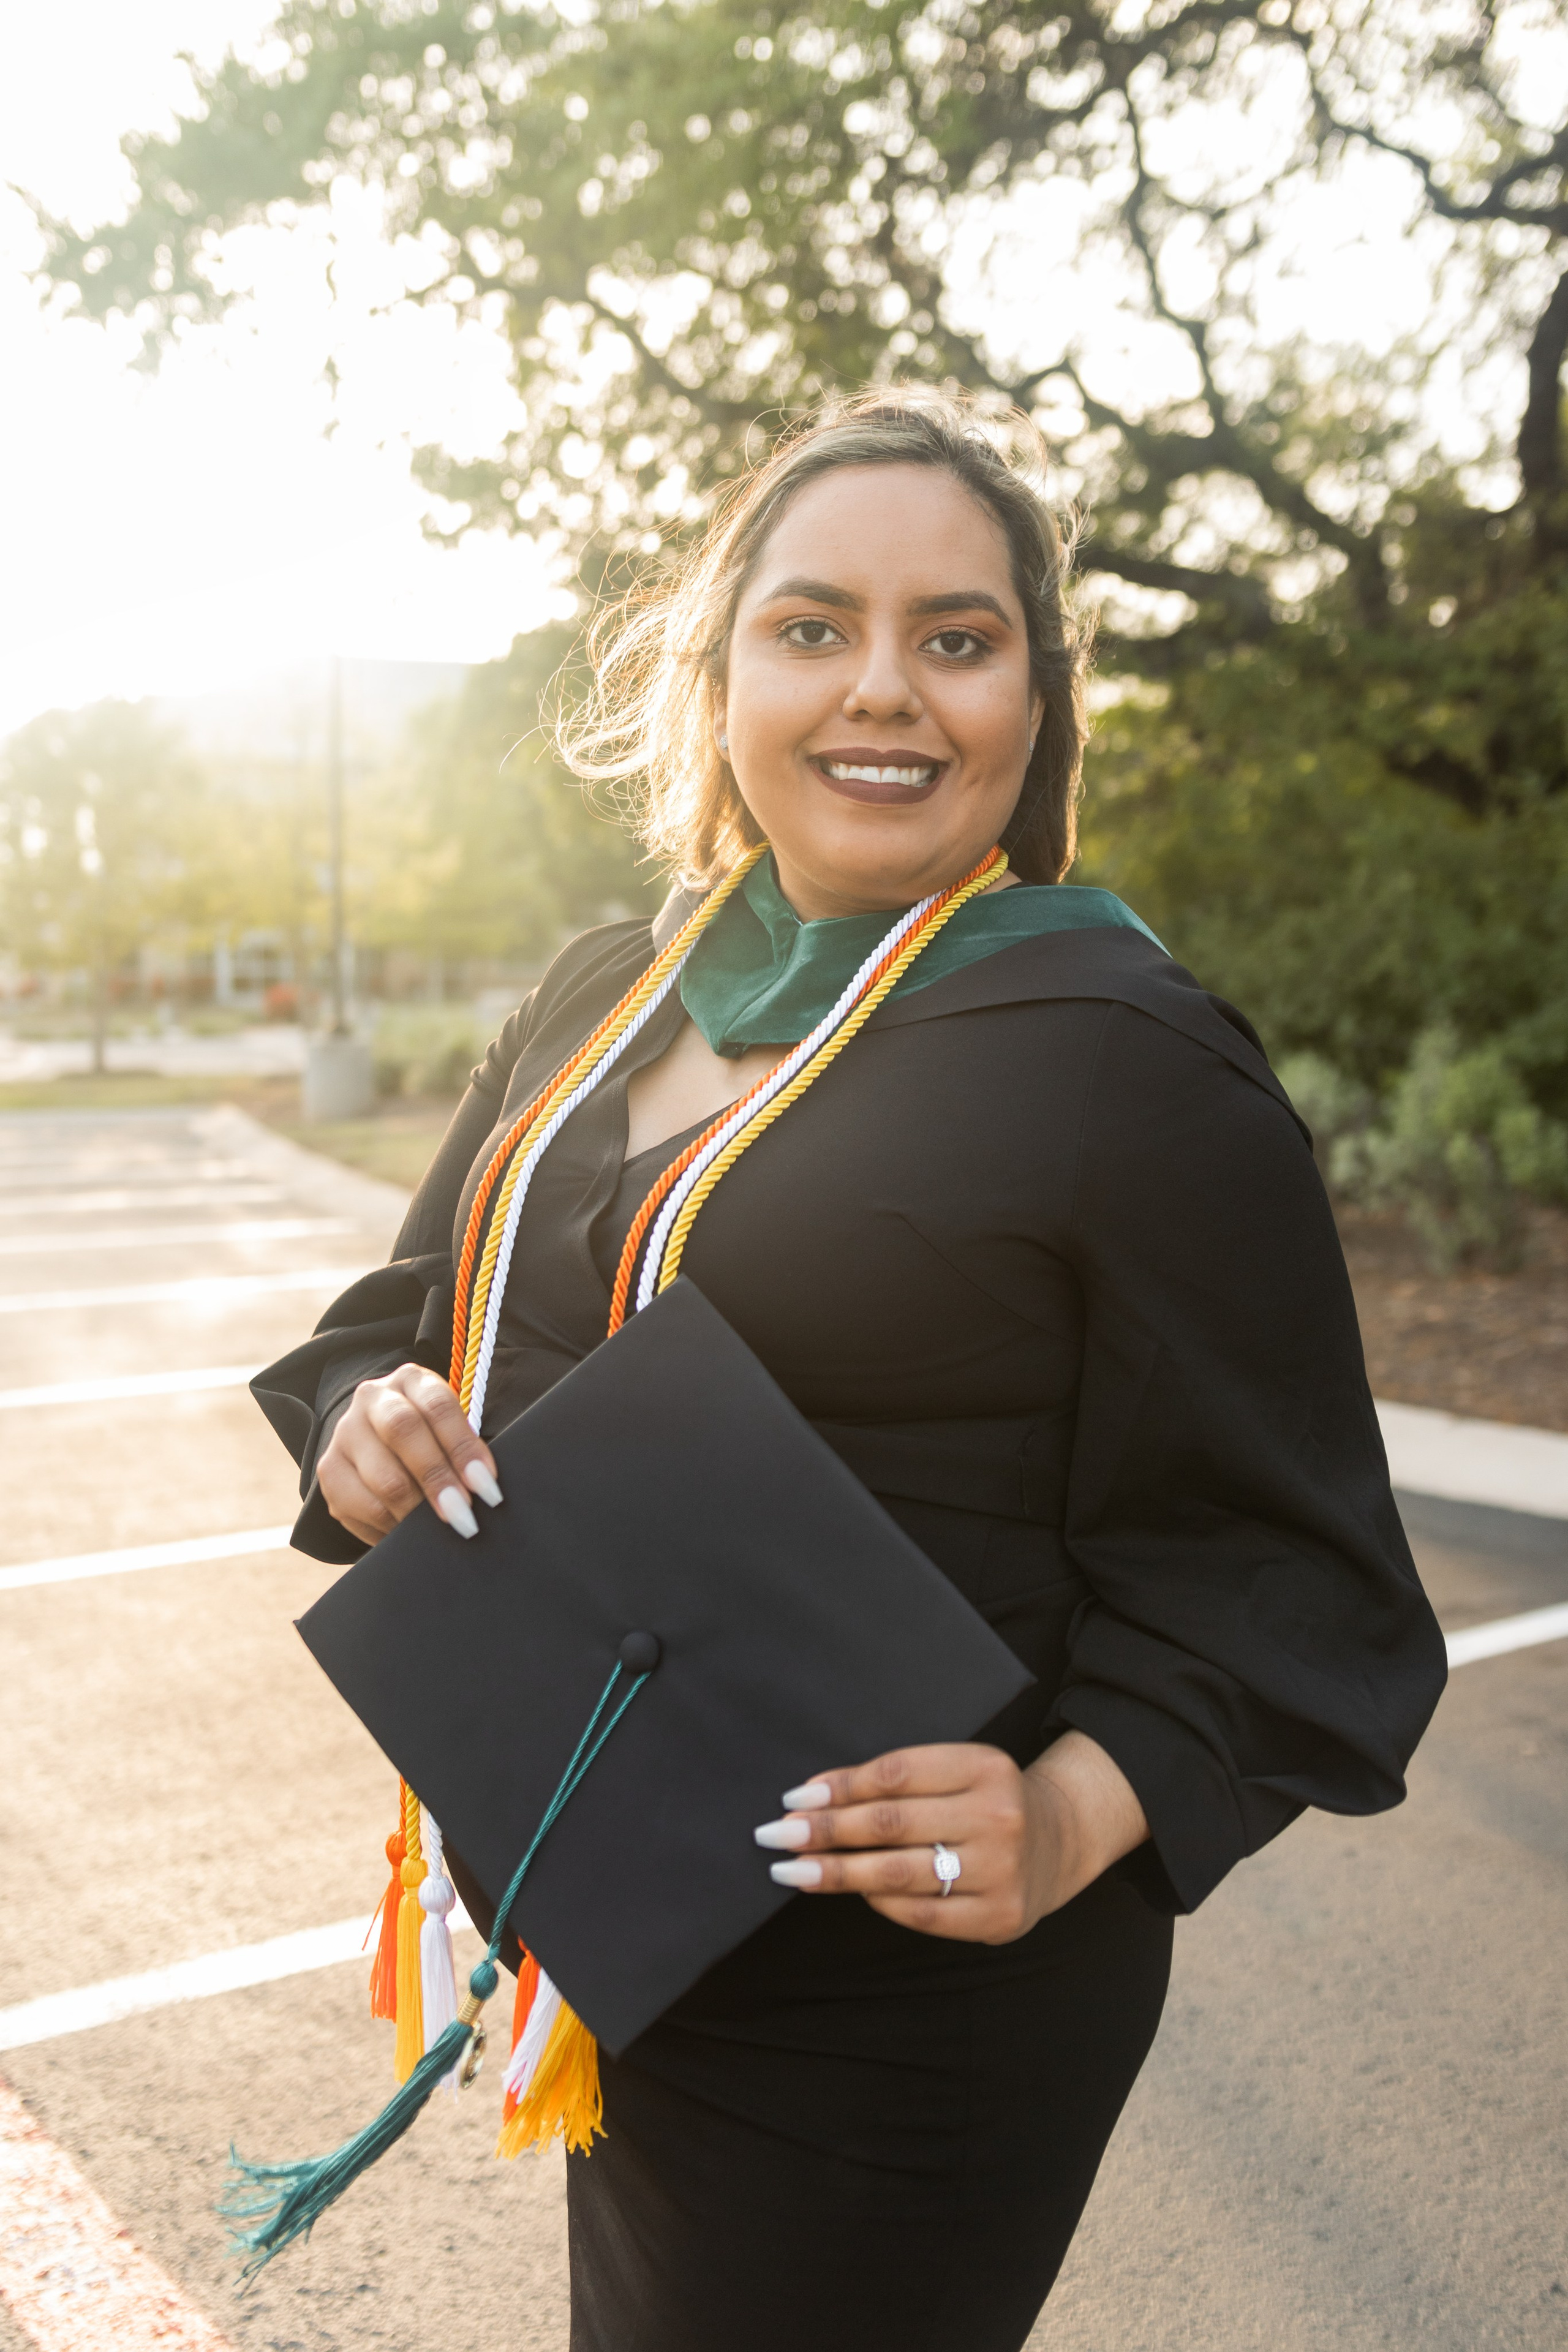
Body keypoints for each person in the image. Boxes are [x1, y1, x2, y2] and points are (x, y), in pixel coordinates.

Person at [253, 388, 1447, 2352]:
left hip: (903, 1987)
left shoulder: (1125, 1051)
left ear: (1034, 702)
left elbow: (1298, 1568)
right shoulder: (605, 989)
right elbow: (395, 1321)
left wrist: (1069, 1814)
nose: (882, 692)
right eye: (814, 628)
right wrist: (364, 1428)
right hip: (627, 1905)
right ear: (720, 673)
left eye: (955, 640)